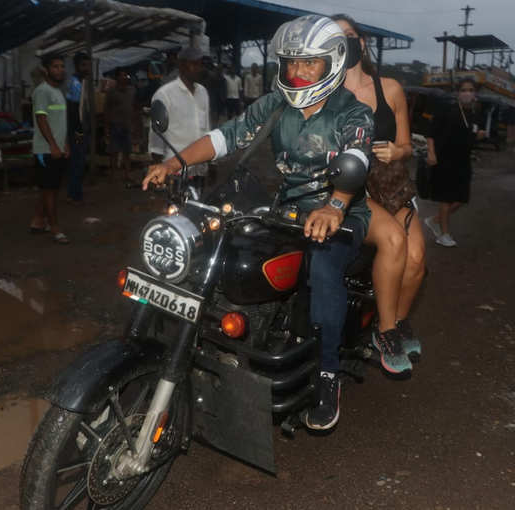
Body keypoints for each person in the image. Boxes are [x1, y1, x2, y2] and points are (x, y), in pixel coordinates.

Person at [143, 15, 373, 431]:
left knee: (323, 272)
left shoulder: (351, 112)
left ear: (334, 62)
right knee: (225, 249)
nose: (298, 72)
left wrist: (335, 205)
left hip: (338, 215)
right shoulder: (275, 104)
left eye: (310, 63)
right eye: (291, 63)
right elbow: (225, 137)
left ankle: (326, 373)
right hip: (286, 209)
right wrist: (175, 162)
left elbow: (356, 158)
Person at [333, 14, 425, 374]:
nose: (346, 42)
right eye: (336, 38)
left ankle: (395, 322)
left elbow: (407, 145)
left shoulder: (390, 89)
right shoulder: (324, 93)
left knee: (417, 260)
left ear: (363, 42)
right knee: (394, 241)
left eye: (350, 35)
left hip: (389, 185)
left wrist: (396, 151)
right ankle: (385, 331)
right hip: (351, 189)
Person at [424, 78, 487, 247]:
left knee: (461, 199)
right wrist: (431, 153)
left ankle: (435, 220)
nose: (467, 93)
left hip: (463, 162)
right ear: (458, 93)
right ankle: (444, 235)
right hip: (444, 160)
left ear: (475, 93)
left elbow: (469, 138)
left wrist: (479, 136)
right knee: (446, 198)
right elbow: (430, 133)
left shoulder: (474, 114)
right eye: (464, 90)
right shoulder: (447, 109)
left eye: (470, 90)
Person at [149, 47, 210, 191]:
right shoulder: (164, 94)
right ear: (181, 65)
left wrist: (212, 164)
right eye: (194, 64)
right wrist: (158, 168)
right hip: (175, 169)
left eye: (200, 64)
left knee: (196, 208)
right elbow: (156, 137)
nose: (199, 68)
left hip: (199, 168)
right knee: (176, 210)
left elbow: (206, 129)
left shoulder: (203, 92)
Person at [30, 54, 70, 244]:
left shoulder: (58, 92)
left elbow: (60, 122)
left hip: (58, 149)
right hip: (45, 150)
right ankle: (55, 228)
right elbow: (41, 119)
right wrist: (53, 145)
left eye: (62, 66)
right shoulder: (42, 91)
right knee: (50, 190)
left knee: (50, 188)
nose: (60, 70)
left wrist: (65, 143)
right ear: (46, 70)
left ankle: (38, 221)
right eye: (55, 66)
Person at [65, 52, 91, 204]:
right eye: (83, 65)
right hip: (77, 129)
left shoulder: (83, 82)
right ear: (76, 66)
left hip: (80, 128)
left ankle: (75, 192)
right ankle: (75, 194)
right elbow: (74, 111)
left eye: (88, 65)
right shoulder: (75, 84)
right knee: (77, 161)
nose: (86, 68)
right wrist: (79, 132)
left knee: (79, 161)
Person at [104, 67, 136, 184]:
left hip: (127, 125)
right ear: (116, 77)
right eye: (121, 75)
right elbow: (106, 110)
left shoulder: (132, 90)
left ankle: (127, 174)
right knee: (114, 151)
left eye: (125, 75)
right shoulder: (111, 92)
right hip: (115, 125)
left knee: (127, 152)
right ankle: (113, 175)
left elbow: (134, 107)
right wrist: (106, 127)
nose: (123, 77)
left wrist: (135, 124)